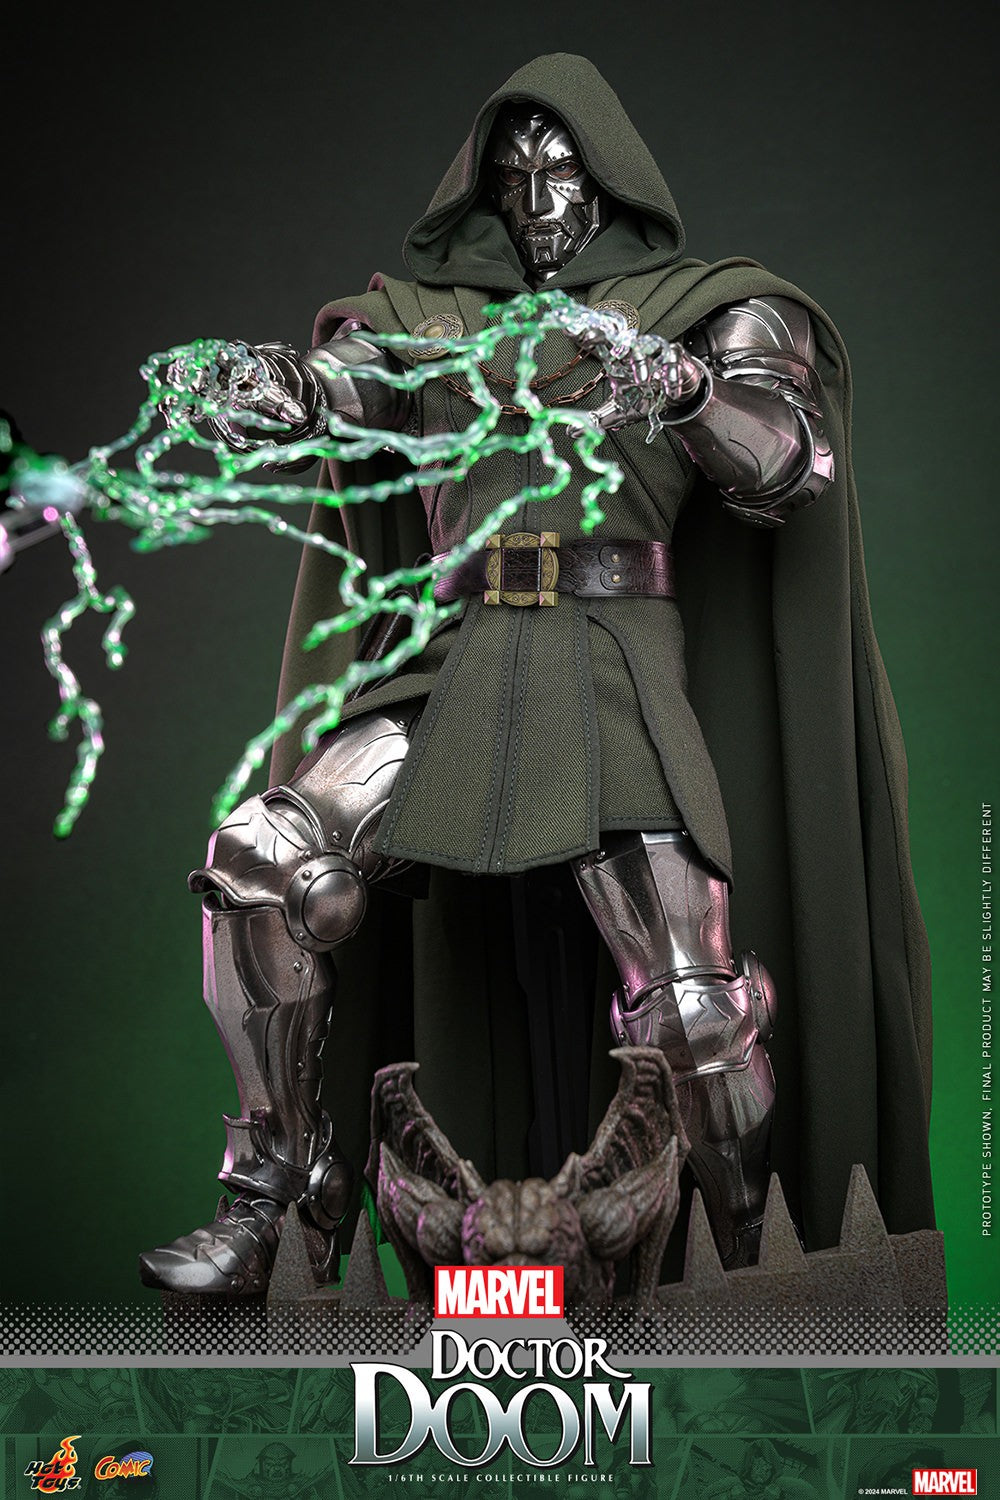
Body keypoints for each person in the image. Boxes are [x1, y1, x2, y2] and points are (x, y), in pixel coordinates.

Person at [139, 53, 934, 1295]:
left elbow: (787, 458)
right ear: (483, 191)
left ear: (609, 179)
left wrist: (678, 384)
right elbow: (347, 393)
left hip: (610, 655)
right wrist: (276, 387)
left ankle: (743, 1267)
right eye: (513, 177)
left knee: (692, 1007)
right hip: (456, 667)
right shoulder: (427, 322)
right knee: (260, 864)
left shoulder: (705, 307)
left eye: (561, 171)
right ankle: (273, 1196)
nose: (538, 199)